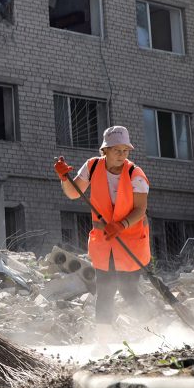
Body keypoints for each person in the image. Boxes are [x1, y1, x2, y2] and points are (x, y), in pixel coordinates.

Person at [54, 125, 151, 341]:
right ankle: (103, 341)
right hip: (105, 241)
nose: (122, 155)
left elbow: (140, 210)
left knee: (128, 290)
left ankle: (154, 331)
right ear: (104, 150)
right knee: (105, 289)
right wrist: (64, 177)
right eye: (117, 150)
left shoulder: (136, 174)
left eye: (125, 151)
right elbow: (72, 194)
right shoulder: (92, 166)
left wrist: (122, 224)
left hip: (130, 240)